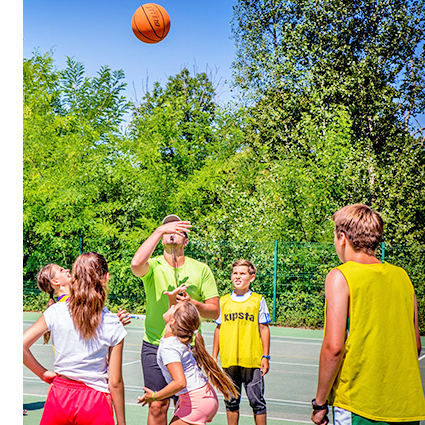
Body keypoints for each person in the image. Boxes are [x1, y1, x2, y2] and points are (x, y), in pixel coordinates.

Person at [311, 204, 425, 425]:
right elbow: (416, 346)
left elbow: (333, 348)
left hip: (359, 405)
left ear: (342, 238)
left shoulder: (340, 276)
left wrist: (320, 403)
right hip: (405, 405)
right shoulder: (402, 276)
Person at [131, 214, 220, 425]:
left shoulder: (201, 269)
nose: (171, 232)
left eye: (177, 229)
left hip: (187, 347)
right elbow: (135, 264)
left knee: (189, 404)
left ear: (186, 240)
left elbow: (215, 311)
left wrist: (193, 303)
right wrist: (159, 230)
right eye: (167, 229)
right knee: (157, 405)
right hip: (155, 344)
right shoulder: (153, 266)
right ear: (161, 237)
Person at [23, 252, 128, 425]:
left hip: (59, 396)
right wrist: (122, 422)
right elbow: (115, 382)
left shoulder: (56, 311)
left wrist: (44, 374)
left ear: (74, 279)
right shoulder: (112, 322)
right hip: (95, 401)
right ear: (106, 278)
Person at [138, 295, 239, 425]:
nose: (172, 305)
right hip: (202, 396)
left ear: (173, 321)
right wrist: (171, 299)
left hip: (196, 401)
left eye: (174, 307)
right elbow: (172, 320)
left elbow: (180, 383)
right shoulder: (175, 338)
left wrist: (154, 396)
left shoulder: (170, 348)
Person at [212, 259, 271, 425]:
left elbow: (264, 329)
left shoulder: (258, 300)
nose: (238, 277)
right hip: (229, 360)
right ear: (231, 276)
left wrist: (265, 356)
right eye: (235, 273)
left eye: (242, 273)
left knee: (257, 402)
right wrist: (214, 357)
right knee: (231, 401)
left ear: (251, 278)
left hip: (252, 361)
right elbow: (218, 329)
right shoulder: (222, 301)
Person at [36, 262, 131, 347]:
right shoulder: (66, 307)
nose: (67, 270)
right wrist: (111, 325)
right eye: (61, 270)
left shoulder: (64, 306)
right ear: (55, 281)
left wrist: (111, 324)